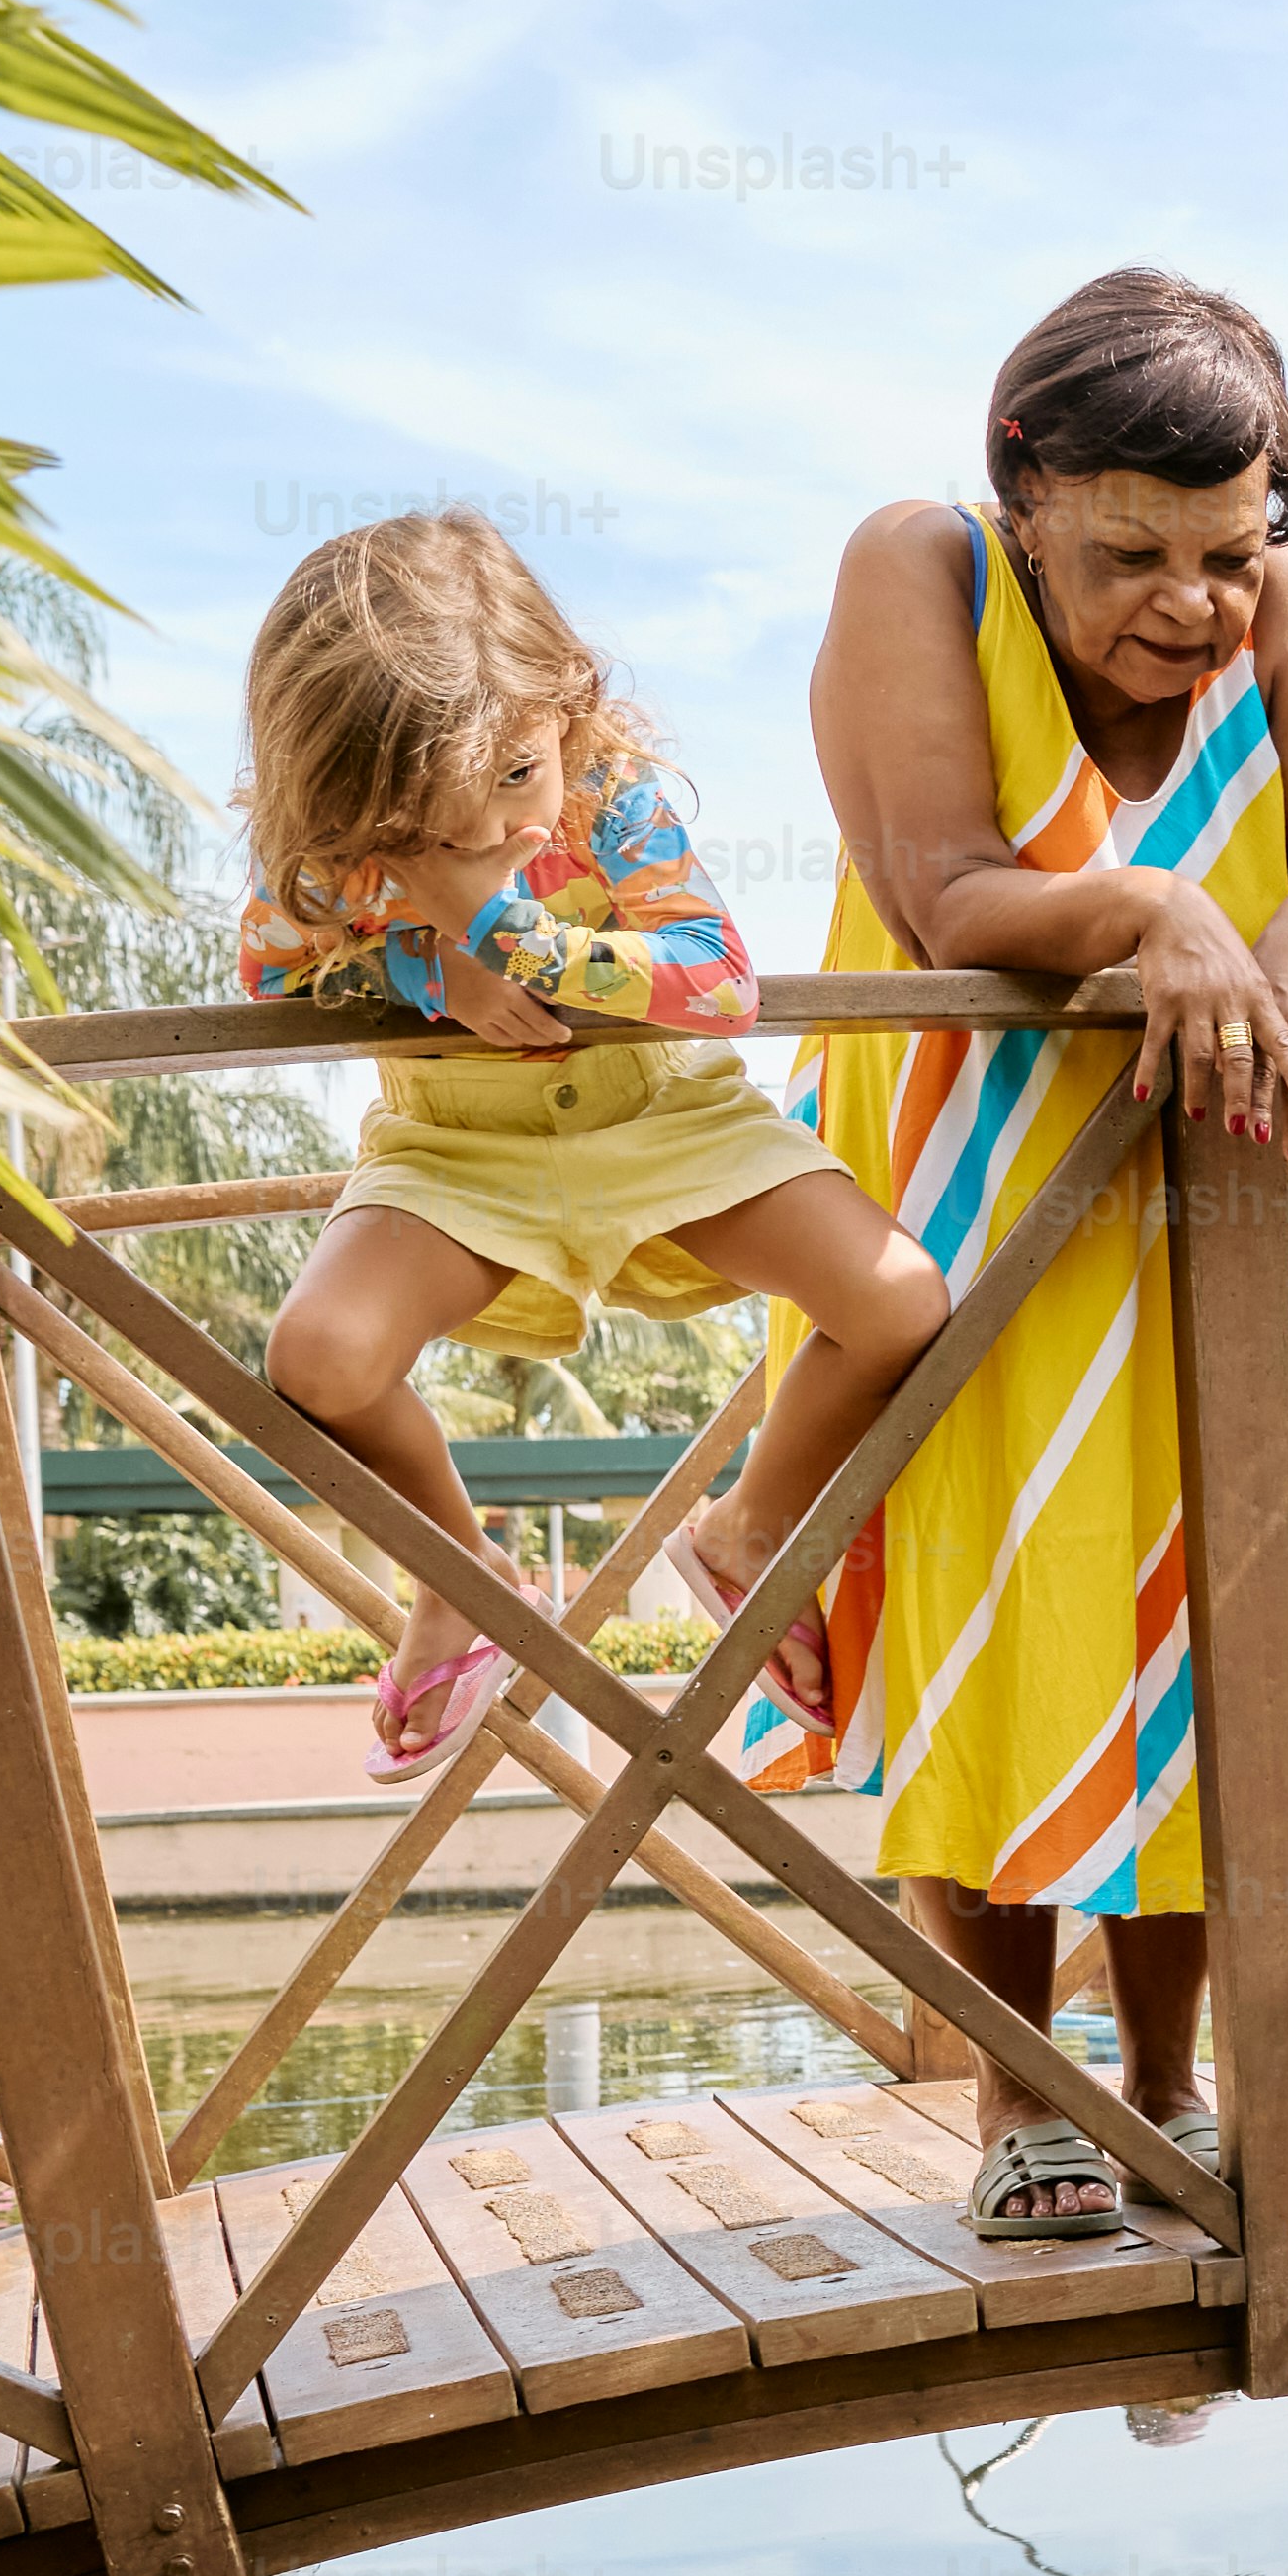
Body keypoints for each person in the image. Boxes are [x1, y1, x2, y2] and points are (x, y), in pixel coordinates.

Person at [781, 270, 1288, 2236]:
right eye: (1133, 551)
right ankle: (1017, 2102)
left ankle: (1166, 2081)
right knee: (1010, 1629)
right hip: (974, 1204)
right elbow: (943, 883)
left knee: (1209, 1639)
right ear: (1023, 487)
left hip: (1223, 1199)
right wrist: (1151, 905)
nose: (1194, 603)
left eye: (1229, 553)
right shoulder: (920, 568)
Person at [236, 512, 953, 1788]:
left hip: (669, 1126)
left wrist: (506, 935)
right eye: (436, 831)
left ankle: (746, 1533)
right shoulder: (345, 843)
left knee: (897, 1298)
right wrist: (419, 960)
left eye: (518, 782)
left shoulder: (608, 798)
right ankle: (458, 1582)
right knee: (320, 1355)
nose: (497, 836)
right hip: (455, 1156)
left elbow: (718, 979)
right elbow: (264, 963)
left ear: (567, 704)